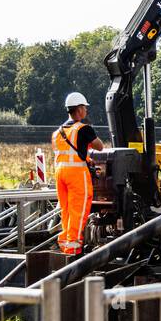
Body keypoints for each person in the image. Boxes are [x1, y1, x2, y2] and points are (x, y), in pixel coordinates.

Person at [52, 91, 104, 255]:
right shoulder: (83, 129)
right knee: (78, 210)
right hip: (76, 174)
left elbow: (69, 152)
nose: (86, 111)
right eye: (85, 108)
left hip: (60, 174)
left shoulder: (57, 132)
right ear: (79, 109)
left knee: (66, 210)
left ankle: (64, 243)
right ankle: (73, 249)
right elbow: (100, 146)